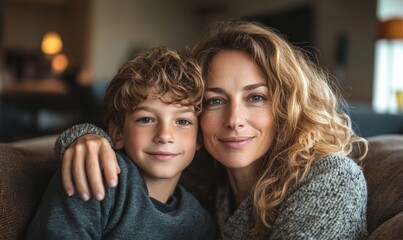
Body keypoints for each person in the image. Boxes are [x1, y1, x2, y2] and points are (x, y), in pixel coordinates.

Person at [55, 20, 368, 239]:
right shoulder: (202, 180)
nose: (234, 119)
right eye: (216, 101)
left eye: (256, 97)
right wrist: (86, 137)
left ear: (286, 107)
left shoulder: (332, 178)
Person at [25, 46, 215, 239]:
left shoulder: (200, 223)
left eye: (183, 121)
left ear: (198, 138)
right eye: (146, 119)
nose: (165, 135)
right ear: (117, 134)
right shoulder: (96, 175)